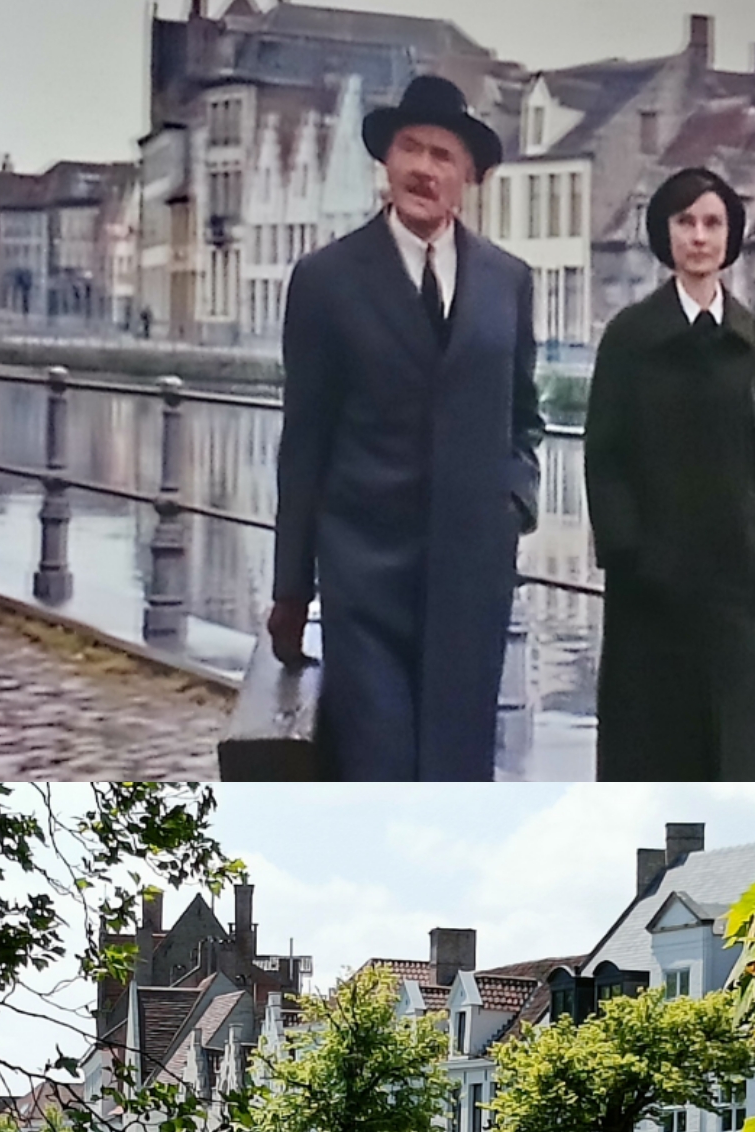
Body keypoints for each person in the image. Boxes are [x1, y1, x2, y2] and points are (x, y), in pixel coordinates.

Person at [268, 75, 543, 780]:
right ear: (386, 163)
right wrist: (292, 589)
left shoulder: (508, 280)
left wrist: (513, 503)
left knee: (456, 770)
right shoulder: (326, 279)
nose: (425, 168)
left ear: (468, 177)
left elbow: (524, 414)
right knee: (377, 765)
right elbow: (303, 442)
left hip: (471, 574)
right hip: (365, 573)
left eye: (443, 155)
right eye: (410, 149)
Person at [584, 166, 755, 781]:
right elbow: (605, 456)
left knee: (737, 757)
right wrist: (628, 556)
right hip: (653, 590)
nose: (699, 237)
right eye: (685, 222)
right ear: (665, 235)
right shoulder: (630, 337)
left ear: (730, 236)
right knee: (654, 752)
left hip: (735, 586)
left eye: (712, 223)